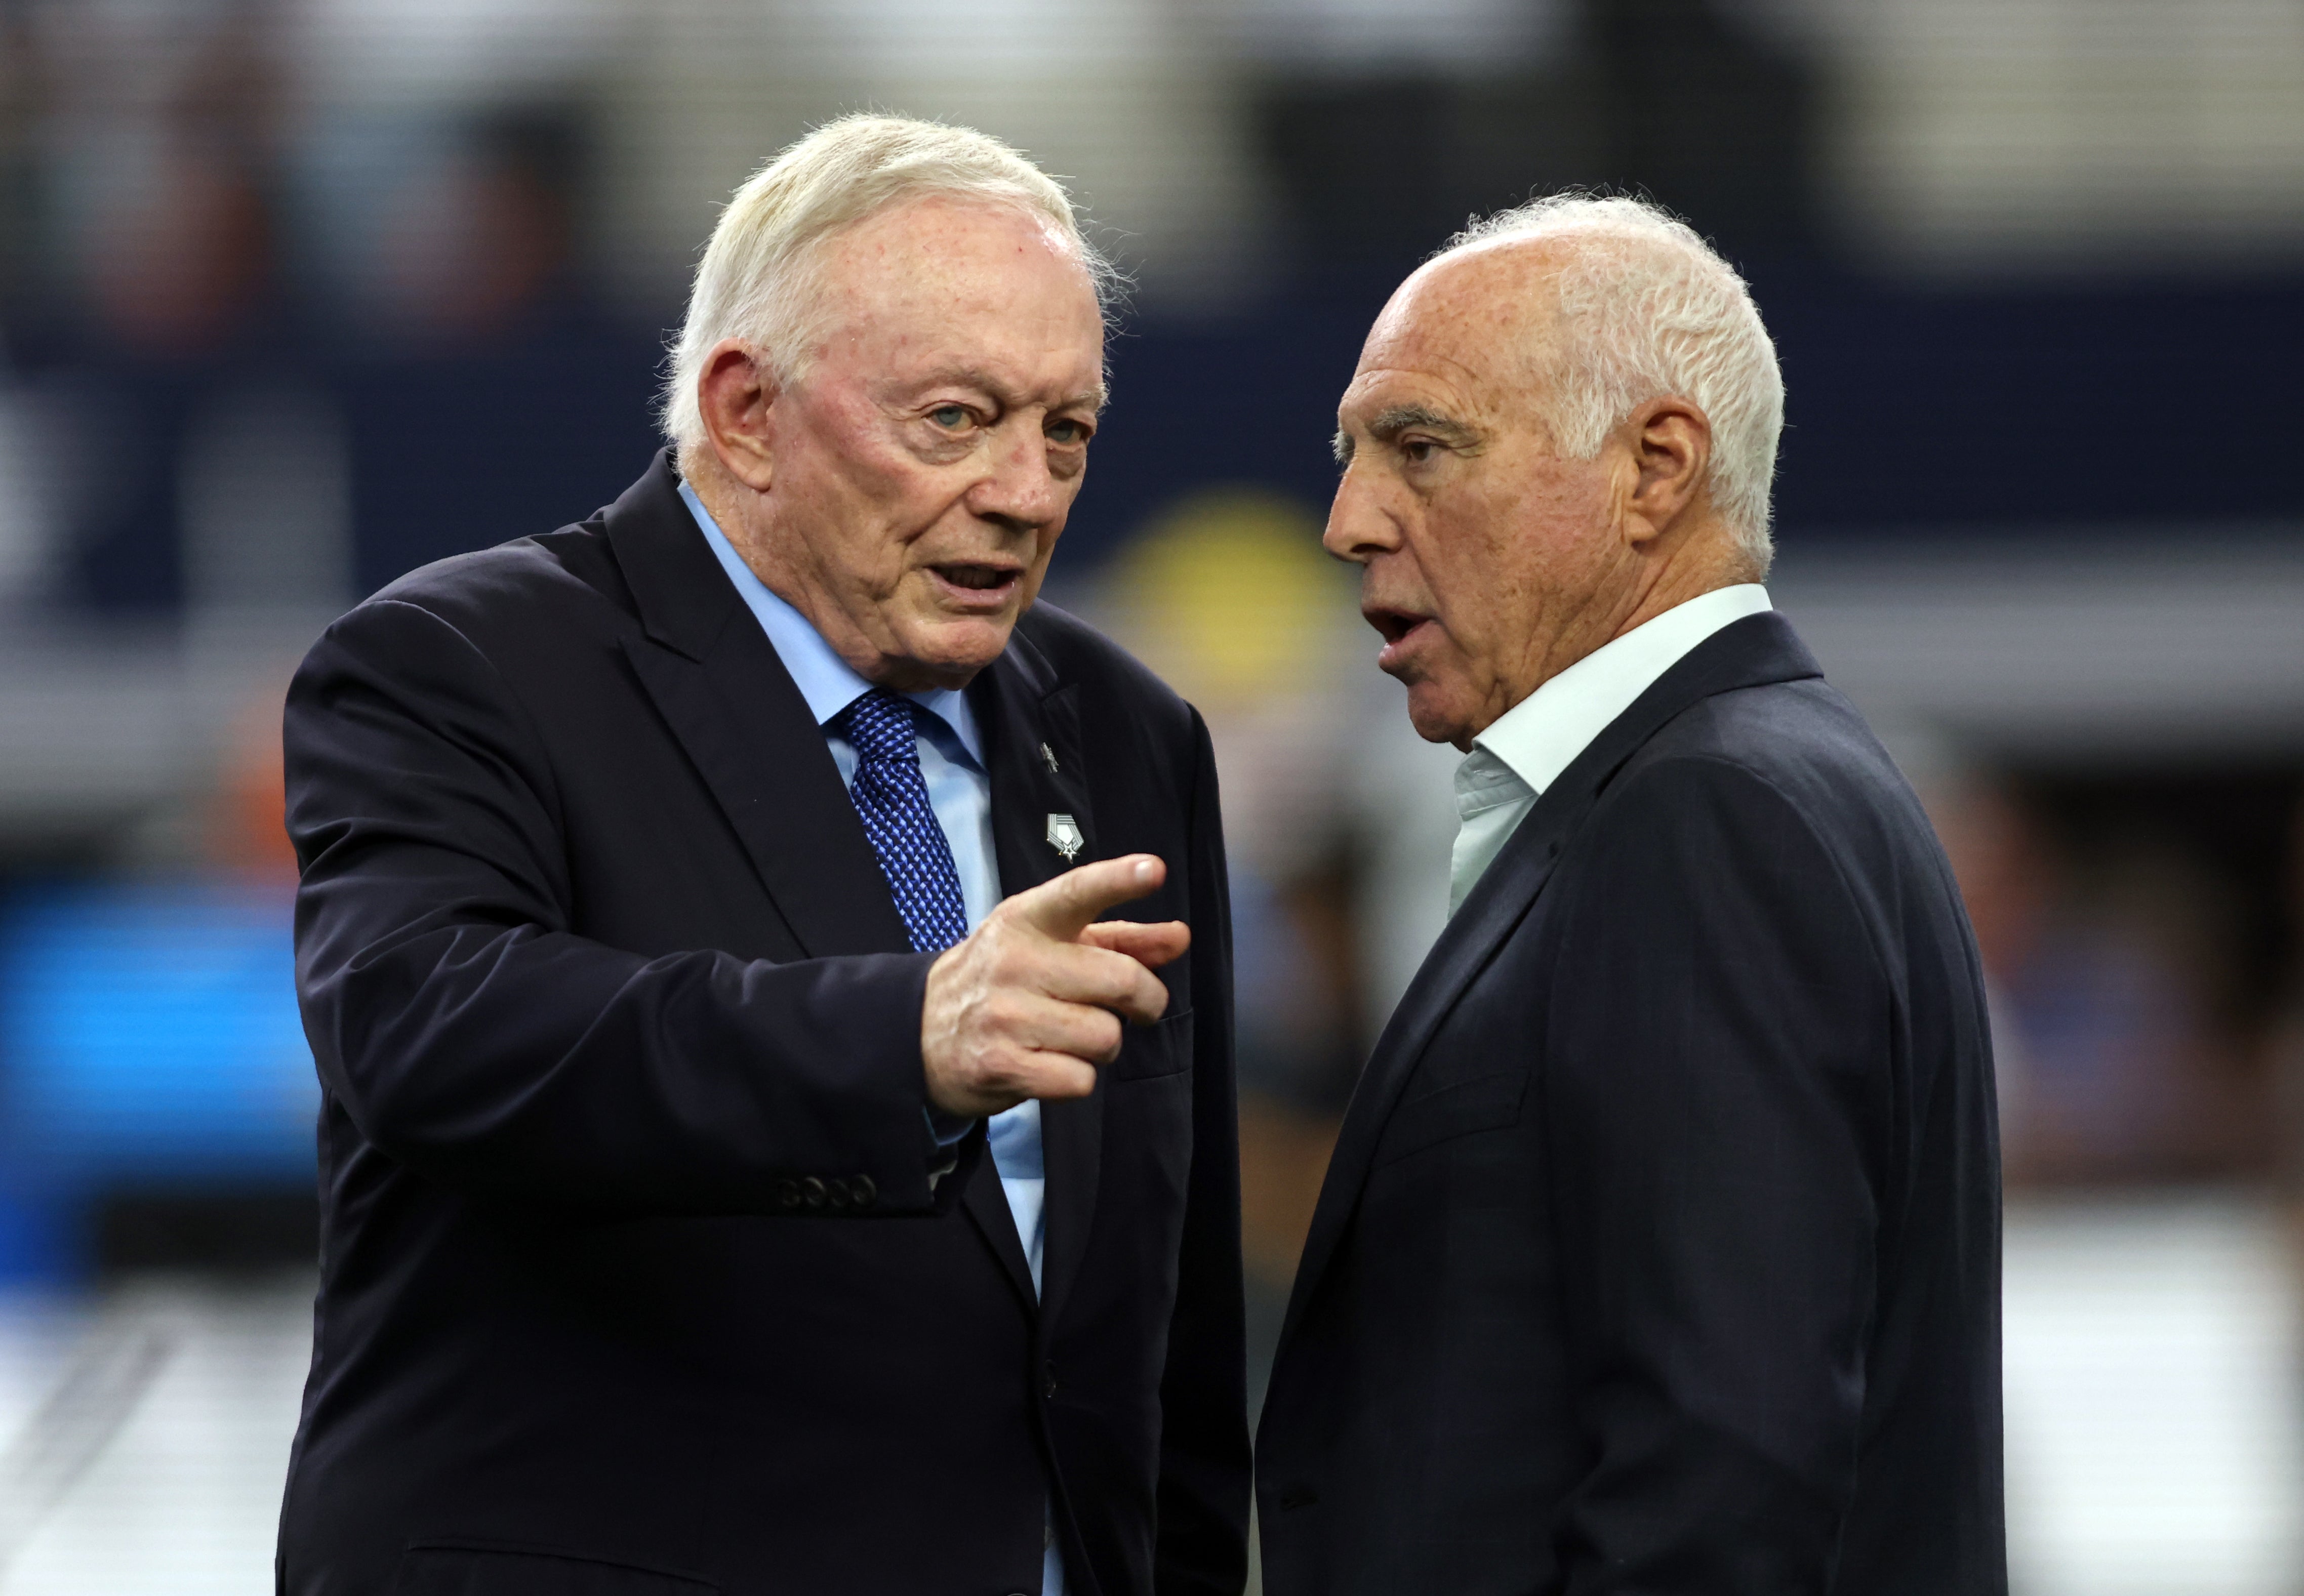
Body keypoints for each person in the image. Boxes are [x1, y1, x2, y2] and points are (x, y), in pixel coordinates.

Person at [277, 115, 1248, 1596]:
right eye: (957, 419)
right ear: (745, 413)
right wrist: (904, 1035)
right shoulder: (460, 663)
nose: (1028, 490)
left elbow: (1172, 1317)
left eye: (1066, 429)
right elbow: (428, 1028)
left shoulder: (1125, 731)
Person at [1253, 195, 2004, 1594]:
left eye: (1422, 448)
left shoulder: (1708, 817)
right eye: (1352, 457)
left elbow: (1723, 1469)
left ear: (1656, 469)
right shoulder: (1752, 780)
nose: (1350, 521)